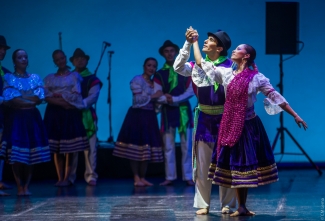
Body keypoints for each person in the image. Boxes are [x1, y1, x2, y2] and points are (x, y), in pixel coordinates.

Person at [190, 31, 308, 216]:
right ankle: (241, 206)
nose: (234, 50)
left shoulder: (256, 77)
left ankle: (240, 206)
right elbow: (201, 64)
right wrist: (195, 43)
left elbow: (275, 96)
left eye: (238, 49)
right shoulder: (226, 73)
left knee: (242, 165)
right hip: (229, 123)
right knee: (231, 165)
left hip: (247, 125)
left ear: (246, 56)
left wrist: (295, 115)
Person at [173, 28, 236, 215]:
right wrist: (187, 43)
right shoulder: (195, 65)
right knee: (202, 163)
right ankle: (203, 203)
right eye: (206, 39)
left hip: (224, 117)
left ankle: (228, 203)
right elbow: (177, 67)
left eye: (210, 40)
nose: (205, 42)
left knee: (226, 162)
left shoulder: (229, 66)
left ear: (220, 47)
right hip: (204, 118)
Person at [0, 49, 51, 196]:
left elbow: (39, 98)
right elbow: (12, 98)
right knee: (16, 155)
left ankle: (26, 186)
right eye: (20, 57)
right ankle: (19, 186)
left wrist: (22, 96)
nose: (23, 59)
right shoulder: (9, 77)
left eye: (25, 57)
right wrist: (28, 97)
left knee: (31, 154)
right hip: (17, 118)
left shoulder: (35, 77)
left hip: (31, 117)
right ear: (14, 61)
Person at [113, 57, 164, 186]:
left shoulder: (155, 84)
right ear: (144, 66)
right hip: (137, 116)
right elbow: (138, 99)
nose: (151, 68)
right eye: (149, 65)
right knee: (134, 147)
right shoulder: (137, 80)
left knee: (146, 148)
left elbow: (158, 100)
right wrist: (154, 96)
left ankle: (142, 177)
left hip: (149, 117)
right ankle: (136, 177)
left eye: (154, 66)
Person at [43, 49, 89, 187]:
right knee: (57, 148)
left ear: (65, 58)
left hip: (69, 113)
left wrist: (61, 99)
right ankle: (60, 177)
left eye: (62, 58)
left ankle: (67, 178)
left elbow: (76, 96)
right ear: (54, 62)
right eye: (57, 60)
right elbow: (46, 96)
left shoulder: (74, 76)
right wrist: (61, 102)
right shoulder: (50, 78)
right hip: (55, 114)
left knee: (69, 148)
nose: (60, 61)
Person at [154, 40, 195, 186]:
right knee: (168, 145)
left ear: (176, 52)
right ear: (163, 54)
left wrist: (175, 99)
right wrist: (166, 99)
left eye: (172, 51)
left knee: (187, 145)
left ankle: (188, 176)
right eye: (167, 51)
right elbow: (156, 93)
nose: (170, 53)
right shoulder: (160, 73)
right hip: (167, 112)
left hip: (183, 110)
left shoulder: (186, 70)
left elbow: (191, 91)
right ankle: (170, 176)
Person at [69, 48, 102, 186]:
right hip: (70, 115)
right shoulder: (68, 77)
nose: (80, 60)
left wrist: (77, 104)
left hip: (86, 115)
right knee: (71, 147)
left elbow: (92, 97)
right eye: (77, 58)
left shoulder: (92, 79)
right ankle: (69, 176)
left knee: (90, 148)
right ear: (73, 61)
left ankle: (90, 175)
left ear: (87, 60)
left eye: (82, 58)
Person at [0, 35, 12, 196]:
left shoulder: (5, 72)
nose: (2, 51)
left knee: (1, 151)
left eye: (3, 49)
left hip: (2, 117)